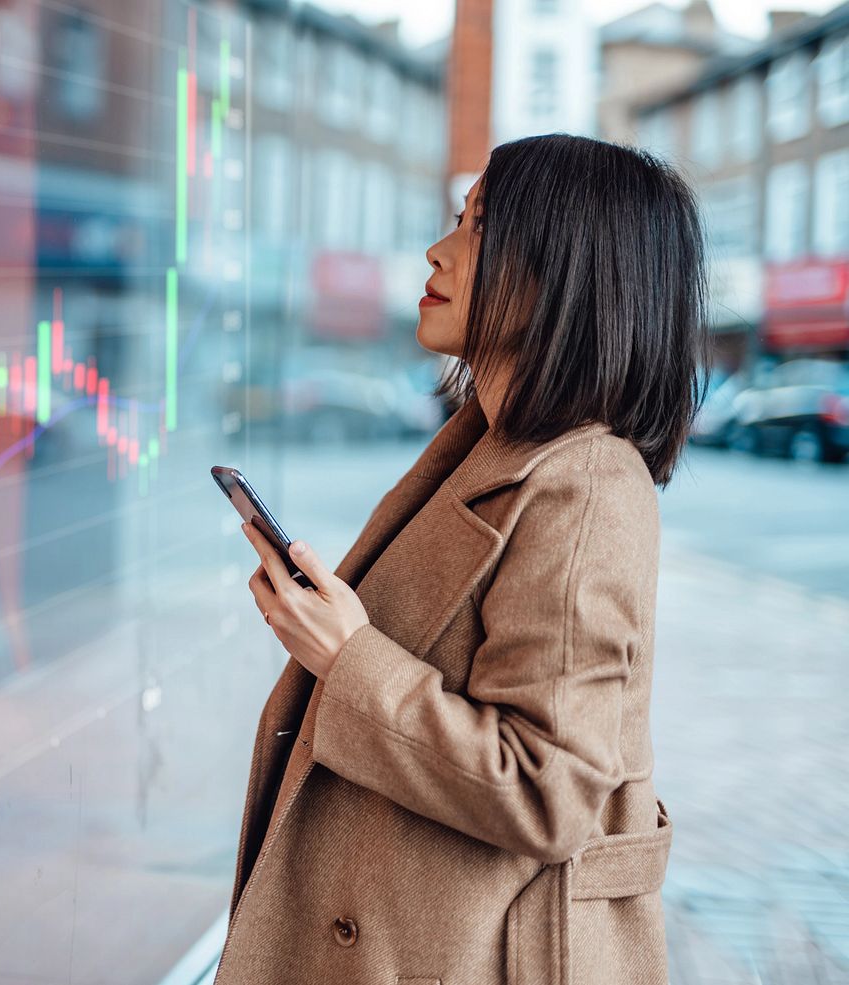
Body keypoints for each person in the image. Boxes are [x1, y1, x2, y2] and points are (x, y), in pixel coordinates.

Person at [218, 134, 711, 985]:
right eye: (457, 218)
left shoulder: (584, 482)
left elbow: (549, 787)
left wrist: (346, 655)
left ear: (564, 268)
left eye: (479, 227)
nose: (437, 251)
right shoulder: (488, 447)